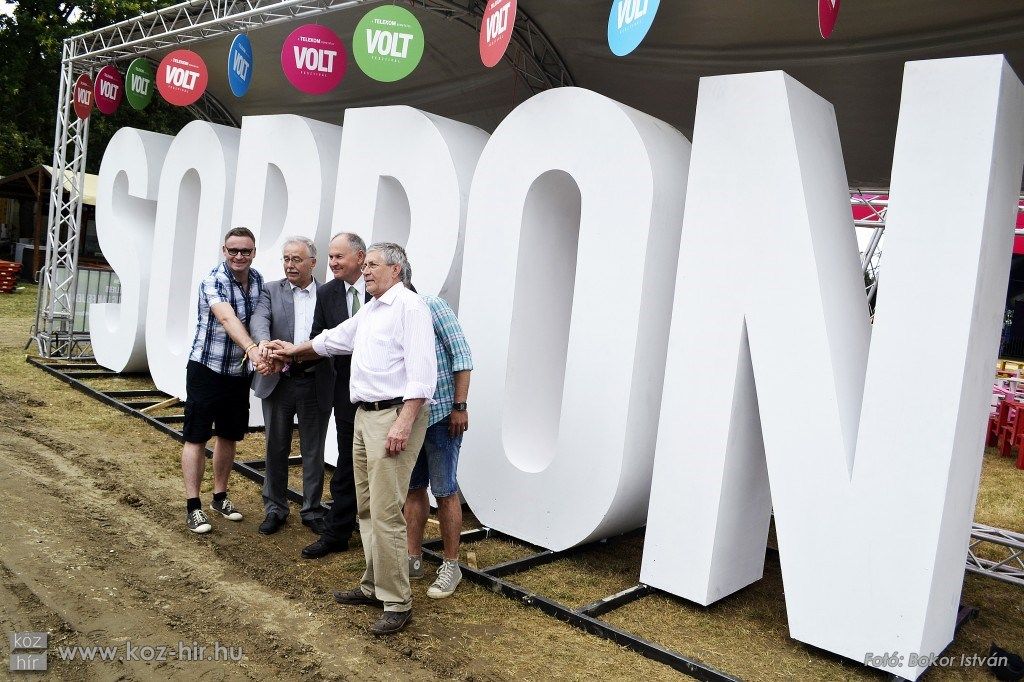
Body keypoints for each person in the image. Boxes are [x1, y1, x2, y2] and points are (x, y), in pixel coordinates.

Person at [267, 242, 436, 636]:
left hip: (393, 417)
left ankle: (397, 602)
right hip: (365, 415)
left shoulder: (410, 308)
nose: (367, 271)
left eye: (374, 265)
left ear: (396, 270)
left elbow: (422, 376)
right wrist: (292, 352)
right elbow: (333, 340)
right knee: (366, 507)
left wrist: (403, 423)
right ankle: (374, 585)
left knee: (386, 512)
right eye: (367, 265)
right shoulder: (373, 308)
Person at [181, 227, 268, 534]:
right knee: (196, 437)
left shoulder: (257, 280)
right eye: (233, 250)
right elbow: (227, 318)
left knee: (229, 436)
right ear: (224, 251)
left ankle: (219, 497)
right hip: (206, 369)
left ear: (254, 252)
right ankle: (193, 507)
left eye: (245, 251)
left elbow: (259, 320)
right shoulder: (213, 280)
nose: (239, 256)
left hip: (238, 373)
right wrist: (253, 350)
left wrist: (267, 349)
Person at [250, 237, 334, 535]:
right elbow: (259, 320)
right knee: (276, 446)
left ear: (313, 262)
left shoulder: (328, 293)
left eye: (296, 259)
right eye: (286, 259)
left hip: (315, 380)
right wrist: (263, 344)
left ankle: (312, 510)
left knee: (313, 450)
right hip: (279, 380)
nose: (289, 265)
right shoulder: (271, 290)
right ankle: (275, 508)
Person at [402, 269, 472, 599]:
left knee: (444, 490)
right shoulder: (390, 314)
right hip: (409, 418)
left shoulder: (432, 305)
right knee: (413, 488)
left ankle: (451, 565)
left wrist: (460, 405)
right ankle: (412, 558)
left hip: (443, 415)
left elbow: (462, 355)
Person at [301, 232, 367, 559]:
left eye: (339, 256)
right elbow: (319, 339)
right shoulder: (327, 293)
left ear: (360, 257)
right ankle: (337, 533)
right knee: (347, 463)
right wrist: (291, 358)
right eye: (330, 257)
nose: (333, 263)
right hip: (345, 395)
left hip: (388, 399)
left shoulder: (390, 290)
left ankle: (379, 538)